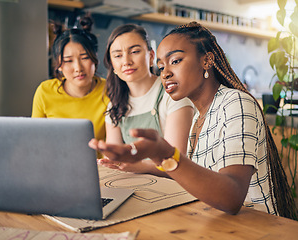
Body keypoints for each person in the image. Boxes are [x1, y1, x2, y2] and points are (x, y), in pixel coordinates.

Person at [89, 22, 297, 219]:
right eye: (161, 67)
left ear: (206, 60)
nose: (166, 73)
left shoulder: (236, 103)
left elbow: (232, 197)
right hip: (212, 221)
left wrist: (165, 155)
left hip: (256, 227)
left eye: (176, 61)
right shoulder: (198, 117)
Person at [97, 23, 194, 175]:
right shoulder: (114, 104)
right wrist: (109, 162)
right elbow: (113, 156)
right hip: (137, 186)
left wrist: (136, 166)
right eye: (117, 55)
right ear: (112, 65)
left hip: (175, 188)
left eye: (134, 51)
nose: (126, 61)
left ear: (151, 56)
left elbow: (176, 162)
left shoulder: (172, 94)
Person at [32, 15, 109, 145]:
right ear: (59, 66)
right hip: (54, 163)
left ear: (95, 58)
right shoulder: (45, 91)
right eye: (68, 61)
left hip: (98, 165)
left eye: (84, 58)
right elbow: (34, 139)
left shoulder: (110, 89)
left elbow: (114, 142)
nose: (78, 68)